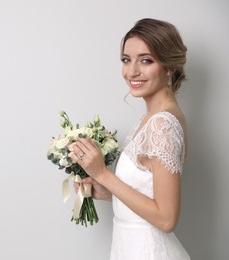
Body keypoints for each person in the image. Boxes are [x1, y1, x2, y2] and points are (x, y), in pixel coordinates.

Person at [69, 18, 191, 259]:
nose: (132, 71)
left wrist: (103, 173)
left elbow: (166, 219)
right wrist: (106, 191)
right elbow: (149, 196)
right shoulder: (152, 117)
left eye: (146, 60)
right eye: (126, 60)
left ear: (168, 67)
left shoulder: (161, 125)